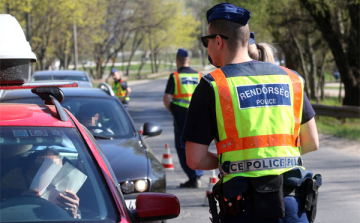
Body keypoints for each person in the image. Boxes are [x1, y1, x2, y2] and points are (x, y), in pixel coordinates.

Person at [183, 3, 320, 223]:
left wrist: (234, 162)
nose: (207, 47)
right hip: (292, 205)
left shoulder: (213, 85)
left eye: (206, 41)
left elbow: (195, 159)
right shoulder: (291, 79)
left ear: (218, 41)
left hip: (243, 209)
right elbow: (312, 141)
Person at [163, 48, 204, 188]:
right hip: (198, 115)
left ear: (177, 61)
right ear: (189, 60)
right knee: (197, 143)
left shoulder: (175, 76)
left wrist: (172, 110)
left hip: (181, 116)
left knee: (182, 146)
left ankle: (194, 176)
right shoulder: (199, 75)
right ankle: (197, 174)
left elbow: (167, 98)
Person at [20, 148, 81, 219]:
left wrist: (73, 217)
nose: (58, 179)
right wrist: (22, 205)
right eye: (53, 172)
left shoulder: (69, 205)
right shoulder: (12, 200)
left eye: (61, 173)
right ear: (30, 175)